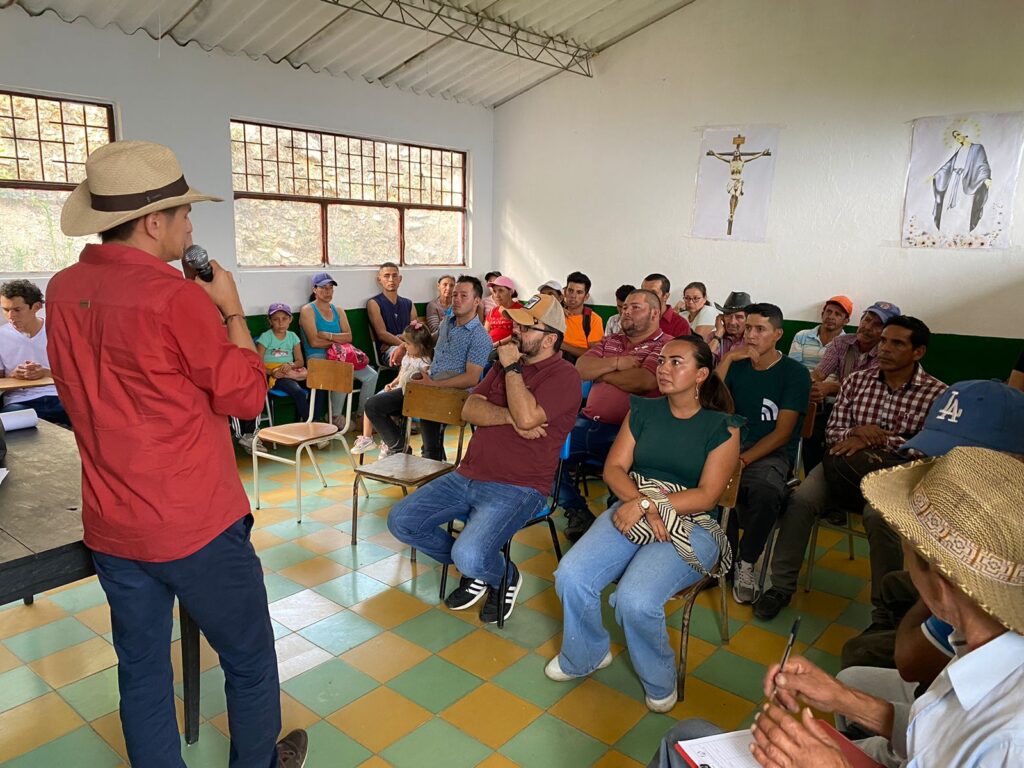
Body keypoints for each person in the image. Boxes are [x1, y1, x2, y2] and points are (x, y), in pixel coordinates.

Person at [45, 140, 306, 767]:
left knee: (141, 669)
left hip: (113, 523)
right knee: (247, 657)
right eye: (184, 212)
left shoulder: (60, 291)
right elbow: (245, 397)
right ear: (153, 222)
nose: (191, 224)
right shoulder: (178, 299)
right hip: (196, 522)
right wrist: (231, 310)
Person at [651, 447, 1024, 768]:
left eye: (907, 542)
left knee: (683, 737)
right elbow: (938, 737)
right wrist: (845, 699)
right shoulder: (983, 650)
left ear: (940, 587)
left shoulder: (1008, 740)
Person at [548, 337, 742, 713]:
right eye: (663, 361)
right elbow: (614, 469)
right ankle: (587, 653)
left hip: (693, 524)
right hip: (635, 509)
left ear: (702, 374)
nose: (664, 369)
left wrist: (651, 504)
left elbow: (706, 495)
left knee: (635, 600)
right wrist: (641, 504)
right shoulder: (643, 411)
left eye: (676, 362)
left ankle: (659, 677)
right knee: (571, 574)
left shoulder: (724, 427)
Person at [388, 294, 580, 624]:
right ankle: (483, 567)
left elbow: (527, 416)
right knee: (402, 521)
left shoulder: (564, 377)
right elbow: (469, 409)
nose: (516, 331)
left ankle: (497, 574)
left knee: (470, 554)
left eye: (526, 327)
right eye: (516, 323)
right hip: (468, 475)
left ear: (550, 339)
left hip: (520, 488)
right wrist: (512, 417)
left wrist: (513, 370)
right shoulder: (500, 366)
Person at [754, 316, 947, 622]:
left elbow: (928, 448)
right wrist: (856, 435)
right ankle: (781, 586)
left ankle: (885, 611)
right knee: (801, 499)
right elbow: (833, 430)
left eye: (897, 343)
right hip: (844, 466)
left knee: (878, 516)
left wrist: (879, 437)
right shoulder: (857, 381)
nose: (885, 348)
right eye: (883, 341)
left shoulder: (936, 394)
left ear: (918, 352)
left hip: (894, 476)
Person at [839, 378, 1024, 669]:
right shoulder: (989, 501)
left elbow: (910, 660)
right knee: (893, 585)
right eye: (938, 457)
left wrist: (937, 582)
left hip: (979, 647)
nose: (943, 469)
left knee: (858, 654)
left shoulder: (1003, 535)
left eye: (959, 461)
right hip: (955, 603)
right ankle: (888, 628)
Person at [716, 303, 811, 604]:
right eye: (748, 328)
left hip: (770, 453)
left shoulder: (794, 373)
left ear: (778, 334)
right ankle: (724, 559)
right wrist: (729, 357)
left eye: (760, 330)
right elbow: (710, 402)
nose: (751, 336)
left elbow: (782, 433)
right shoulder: (738, 364)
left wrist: (742, 461)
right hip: (729, 447)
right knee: (710, 485)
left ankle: (747, 561)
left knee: (765, 490)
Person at [558, 289, 669, 541]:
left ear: (655, 312)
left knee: (622, 477)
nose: (626, 312)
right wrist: (619, 364)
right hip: (585, 422)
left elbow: (644, 381)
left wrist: (601, 372)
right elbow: (581, 367)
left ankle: (612, 529)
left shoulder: (666, 344)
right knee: (543, 452)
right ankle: (576, 511)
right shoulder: (612, 341)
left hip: (627, 432)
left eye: (635, 307)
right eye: (625, 307)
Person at [364, 275, 491, 460]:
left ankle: (433, 462)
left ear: (476, 301)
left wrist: (433, 385)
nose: (456, 299)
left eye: (464, 296)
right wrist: (403, 346)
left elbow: (471, 378)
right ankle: (399, 448)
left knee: (430, 452)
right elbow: (428, 341)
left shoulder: (480, 337)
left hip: (453, 396)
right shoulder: (448, 321)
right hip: (428, 386)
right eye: (455, 295)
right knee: (374, 405)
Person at [237, 302, 321, 450]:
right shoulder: (266, 337)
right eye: (276, 319)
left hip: (292, 371)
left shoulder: (293, 336)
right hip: (276, 376)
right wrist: (272, 372)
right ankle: (313, 431)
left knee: (319, 386)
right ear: (270, 321)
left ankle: (315, 422)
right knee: (298, 392)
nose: (280, 322)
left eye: (284, 318)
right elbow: (257, 363)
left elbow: (300, 360)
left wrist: (292, 365)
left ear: (290, 320)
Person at [299, 272, 379, 423]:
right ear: (314, 289)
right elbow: (314, 342)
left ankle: (362, 415)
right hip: (318, 357)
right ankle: (336, 416)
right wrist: (338, 343)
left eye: (330, 288)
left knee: (371, 375)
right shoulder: (308, 310)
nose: (327, 291)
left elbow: (349, 337)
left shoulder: (338, 311)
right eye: (323, 288)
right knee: (343, 370)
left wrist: (328, 336)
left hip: (342, 355)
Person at [351, 320, 434, 456]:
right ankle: (367, 438)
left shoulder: (424, 362)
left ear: (419, 346)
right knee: (371, 402)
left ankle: (389, 443)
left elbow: (421, 382)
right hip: (398, 389)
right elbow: (401, 374)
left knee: (388, 411)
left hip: (410, 395)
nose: (404, 346)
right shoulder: (407, 356)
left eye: (407, 343)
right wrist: (392, 384)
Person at [0, 279, 70, 427]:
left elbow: (78, 373)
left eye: (17, 310)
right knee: (7, 422)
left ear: (36, 307)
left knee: (92, 415)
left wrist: (46, 373)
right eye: (6, 310)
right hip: (20, 402)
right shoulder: (1, 336)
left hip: (59, 397)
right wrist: (13, 375)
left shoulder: (58, 331)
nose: (11, 316)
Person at [931, 129, 992, 233]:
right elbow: (948, 165)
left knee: (964, 205)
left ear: (965, 134)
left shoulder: (977, 148)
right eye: (955, 137)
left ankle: (963, 229)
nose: (957, 138)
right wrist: (937, 174)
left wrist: (985, 178)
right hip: (953, 181)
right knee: (947, 204)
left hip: (967, 181)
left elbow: (983, 164)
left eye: (958, 135)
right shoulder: (959, 149)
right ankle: (946, 228)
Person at [367, 261, 418, 365]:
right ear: (379, 280)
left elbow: (415, 332)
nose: (391, 280)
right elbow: (382, 334)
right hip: (388, 350)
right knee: (407, 358)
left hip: (408, 345)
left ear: (400, 279)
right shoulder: (374, 303)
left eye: (395, 276)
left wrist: (402, 342)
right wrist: (404, 344)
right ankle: (403, 381)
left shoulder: (409, 303)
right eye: (386, 276)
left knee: (430, 356)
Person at [789, 295, 852, 372]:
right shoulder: (802, 336)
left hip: (830, 383)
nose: (831, 317)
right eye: (829, 311)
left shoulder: (848, 345)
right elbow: (792, 368)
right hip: (801, 381)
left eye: (837, 314)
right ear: (822, 314)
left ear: (846, 321)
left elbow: (842, 377)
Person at [561, 271, 603, 361]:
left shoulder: (593, 319)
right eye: (570, 290)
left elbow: (594, 355)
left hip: (578, 366)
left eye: (579, 292)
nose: (573, 296)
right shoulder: (555, 313)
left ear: (586, 296)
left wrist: (562, 345)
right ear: (564, 291)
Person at [640, 273, 691, 338]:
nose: (646, 297)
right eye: (643, 292)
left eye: (653, 293)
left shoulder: (679, 324)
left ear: (665, 296)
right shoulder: (636, 317)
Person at [707, 290, 750, 362]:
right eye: (728, 316)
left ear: (748, 320)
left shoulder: (752, 339)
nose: (732, 322)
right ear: (722, 318)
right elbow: (703, 361)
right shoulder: (713, 336)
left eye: (739, 317)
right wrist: (718, 334)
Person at [484, 275, 522, 345]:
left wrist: (497, 344)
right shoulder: (493, 311)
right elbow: (485, 332)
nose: (496, 295)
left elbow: (519, 334)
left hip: (508, 349)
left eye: (501, 290)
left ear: (510, 291)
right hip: (489, 347)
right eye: (494, 291)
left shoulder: (520, 310)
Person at [425, 274, 455, 339]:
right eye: (445, 284)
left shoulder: (457, 305)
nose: (448, 288)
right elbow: (435, 329)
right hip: (440, 340)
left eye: (451, 285)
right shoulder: (433, 305)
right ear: (438, 286)